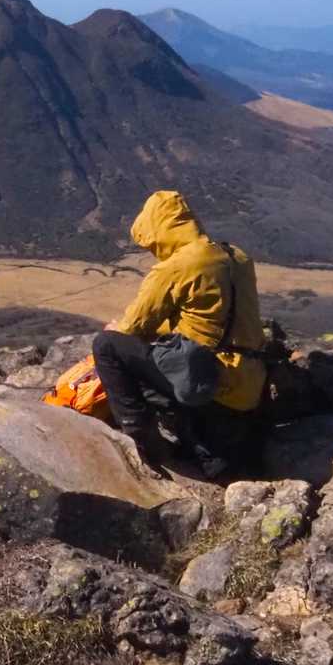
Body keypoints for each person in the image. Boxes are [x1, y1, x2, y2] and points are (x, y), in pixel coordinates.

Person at [93, 190, 266, 478]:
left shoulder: (177, 266)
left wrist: (116, 328)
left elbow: (133, 327)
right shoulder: (237, 256)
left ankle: (140, 438)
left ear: (160, 231)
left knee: (107, 346)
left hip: (209, 384)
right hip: (249, 386)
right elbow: (209, 318)